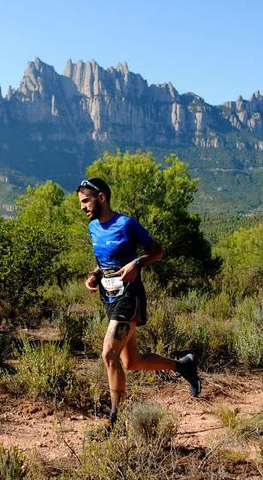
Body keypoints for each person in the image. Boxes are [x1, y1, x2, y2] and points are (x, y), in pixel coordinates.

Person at [77, 178, 201, 429]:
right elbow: (103, 262)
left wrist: (136, 263)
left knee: (108, 353)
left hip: (129, 297)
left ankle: (115, 420)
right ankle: (183, 366)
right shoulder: (92, 227)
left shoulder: (126, 224)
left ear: (101, 197)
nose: (82, 207)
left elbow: (157, 251)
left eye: (86, 201)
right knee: (132, 362)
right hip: (109, 298)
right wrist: (94, 275)